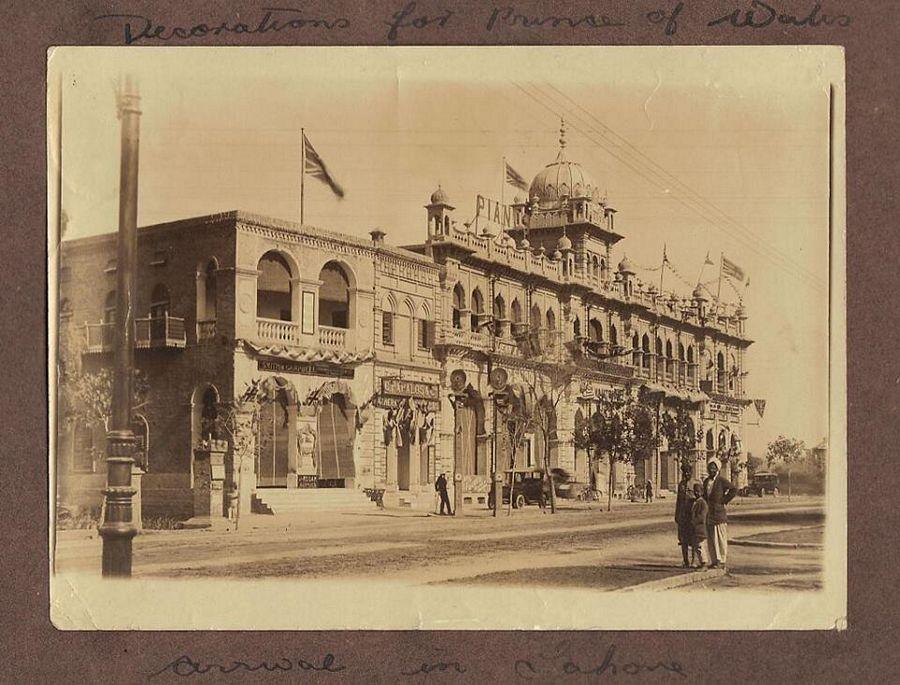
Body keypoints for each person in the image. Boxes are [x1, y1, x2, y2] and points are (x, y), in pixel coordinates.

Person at [703, 458, 737, 569]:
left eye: (714, 468)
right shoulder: (706, 482)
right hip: (709, 514)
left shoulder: (721, 480)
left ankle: (721, 560)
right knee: (711, 538)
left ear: (717, 469)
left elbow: (733, 489)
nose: (711, 470)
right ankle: (714, 560)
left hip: (719, 514)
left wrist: (724, 500)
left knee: (720, 538)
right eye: (710, 467)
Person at [674, 463, 696, 568]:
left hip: (692, 515)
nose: (687, 474)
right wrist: (677, 515)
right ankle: (685, 560)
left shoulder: (696, 483)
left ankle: (694, 561)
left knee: (694, 539)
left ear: (691, 472)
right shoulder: (681, 485)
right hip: (683, 515)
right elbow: (678, 501)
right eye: (685, 472)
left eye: (688, 472)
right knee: (683, 540)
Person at [690, 482, 709, 568]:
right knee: (696, 546)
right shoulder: (696, 502)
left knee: (700, 546)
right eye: (695, 491)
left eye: (698, 491)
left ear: (702, 492)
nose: (696, 493)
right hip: (695, 529)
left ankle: (704, 563)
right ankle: (701, 562)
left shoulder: (703, 503)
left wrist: (694, 521)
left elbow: (702, 517)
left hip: (700, 529)